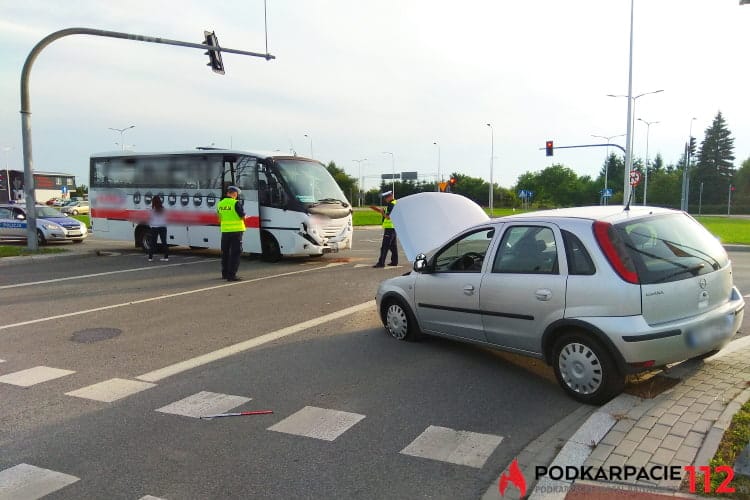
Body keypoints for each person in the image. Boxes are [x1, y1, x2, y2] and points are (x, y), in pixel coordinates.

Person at [217, 185, 246, 281]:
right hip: (236, 232)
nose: (237, 196)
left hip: (225, 231)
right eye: (236, 194)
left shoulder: (220, 204)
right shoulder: (235, 203)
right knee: (235, 253)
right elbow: (242, 216)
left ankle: (224, 274)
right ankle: (232, 275)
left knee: (225, 253)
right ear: (234, 194)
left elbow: (219, 218)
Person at [370, 190, 398, 268]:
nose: (385, 199)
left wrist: (382, 212)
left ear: (390, 196)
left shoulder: (391, 205)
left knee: (384, 247)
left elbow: (388, 217)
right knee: (393, 246)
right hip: (393, 227)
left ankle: (381, 263)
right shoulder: (395, 203)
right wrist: (376, 209)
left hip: (389, 228)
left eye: (386, 197)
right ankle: (394, 261)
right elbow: (386, 213)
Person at [148, 195, 169, 262]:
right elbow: (166, 218)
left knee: (153, 243)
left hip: (155, 227)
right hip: (163, 227)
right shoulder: (164, 209)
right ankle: (166, 257)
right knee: (164, 242)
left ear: (153, 202)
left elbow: (150, 219)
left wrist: (151, 226)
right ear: (160, 201)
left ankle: (150, 258)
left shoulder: (152, 210)